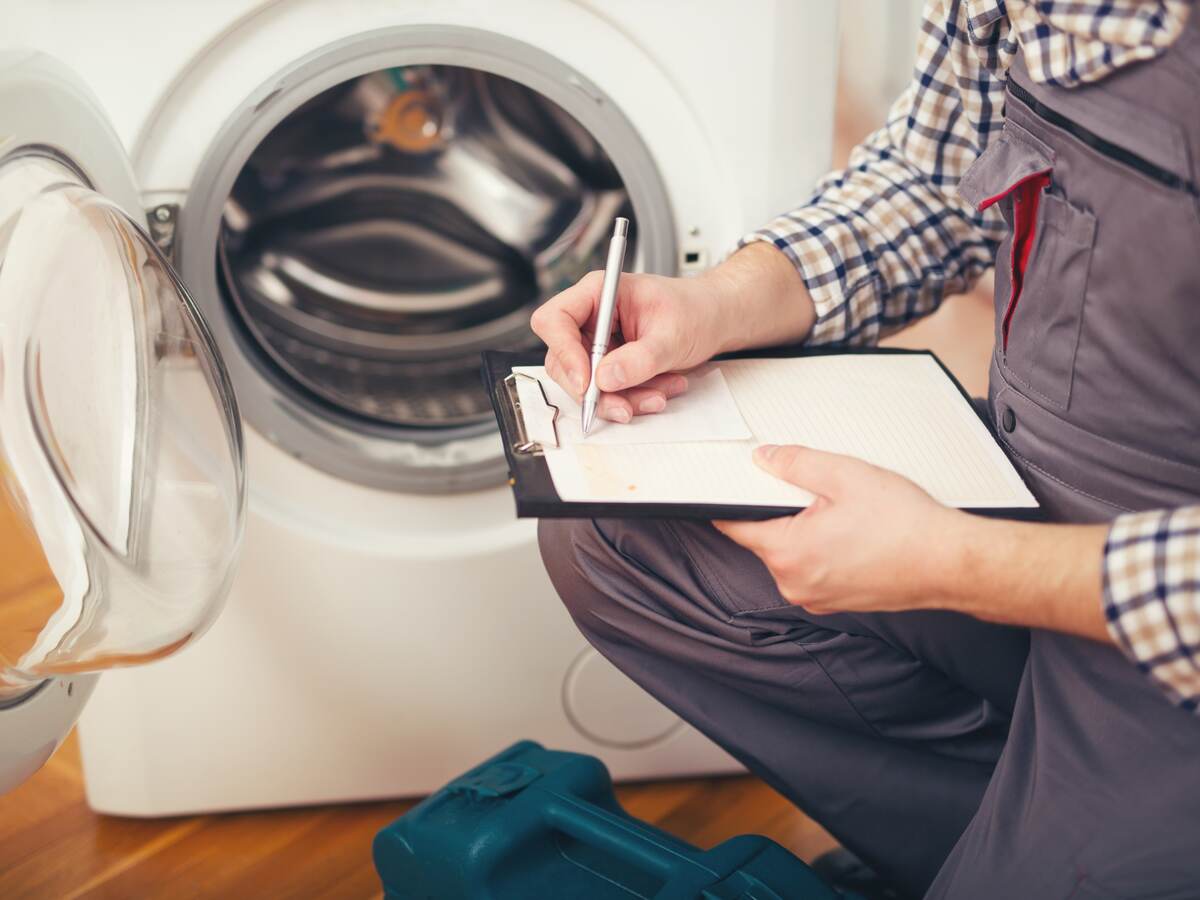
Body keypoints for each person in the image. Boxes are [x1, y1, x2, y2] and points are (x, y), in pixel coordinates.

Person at [532, 1, 1200, 897]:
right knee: (621, 540)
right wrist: (722, 304)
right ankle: (1002, 833)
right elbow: (935, 178)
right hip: (1027, 488)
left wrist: (963, 564)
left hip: (1162, 631)